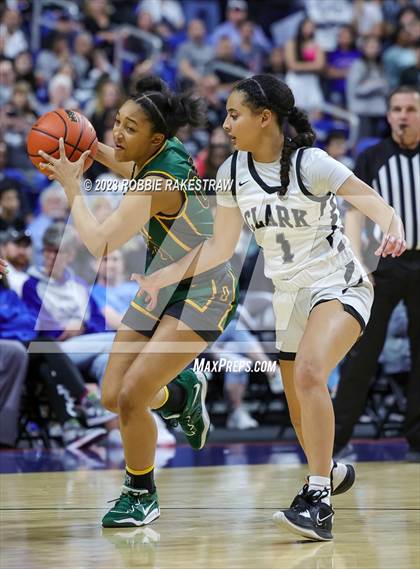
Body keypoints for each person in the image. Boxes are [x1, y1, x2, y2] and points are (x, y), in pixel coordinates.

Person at [132, 74, 406, 541]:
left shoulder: (311, 163)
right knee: (299, 405)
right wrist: (163, 274)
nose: (225, 124)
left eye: (234, 115)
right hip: (288, 296)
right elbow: (220, 248)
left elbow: (370, 199)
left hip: (339, 284)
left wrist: (393, 226)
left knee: (311, 373)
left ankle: (317, 500)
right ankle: (329, 469)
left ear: (265, 118)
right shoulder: (232, 174)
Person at [38, 76, 238, 528]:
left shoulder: (159, 181)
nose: (117, 134)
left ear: (157, 139)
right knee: (112, 395)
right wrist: (81, 150)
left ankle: (141, 493)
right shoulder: (156, 157)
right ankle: (182, 392)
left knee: (132, 396)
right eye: (117, 122)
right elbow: (124, 164)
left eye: (130, 128)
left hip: (203, 291)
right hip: (159, 286)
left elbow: (100, 245)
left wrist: (74, 186)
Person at [333, 85, 420, 463]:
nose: (403, 115)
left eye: (411, 109)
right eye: (397, 109)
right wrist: (360, 263)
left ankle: (416, 436)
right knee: (361, 352)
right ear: (387, 116)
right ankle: (335, 440)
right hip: (382, 267)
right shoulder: (372, 158)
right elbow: (352, 212)